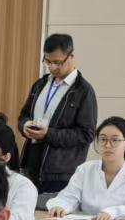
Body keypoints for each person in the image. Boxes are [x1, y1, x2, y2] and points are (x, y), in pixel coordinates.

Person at [17, 32, 96, 194]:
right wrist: (24, 126)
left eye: (58, 62)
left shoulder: (83, 91)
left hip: (60, 173)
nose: (52, 67)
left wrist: (48, 134)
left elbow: (86, 134)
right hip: (30, 165)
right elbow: (23, 115)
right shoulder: (40, 84)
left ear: (71, 56)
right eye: (48, 62)